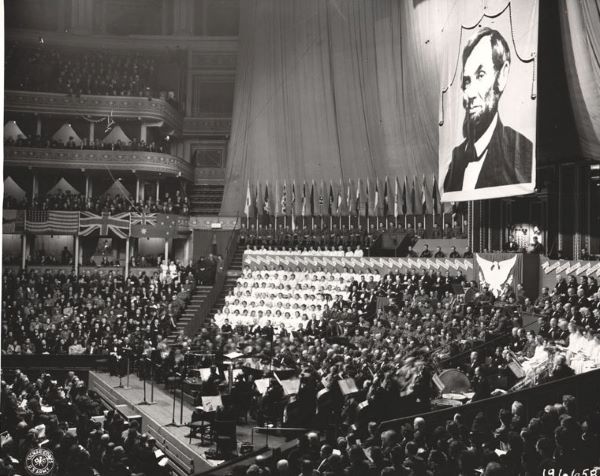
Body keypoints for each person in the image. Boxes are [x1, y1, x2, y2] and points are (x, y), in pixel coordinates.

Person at [443, 27, 533, 193]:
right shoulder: (456, 158)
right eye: (467, 81)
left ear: (502, 75)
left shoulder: (521, 151)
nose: (469, 93)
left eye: (481, 75)